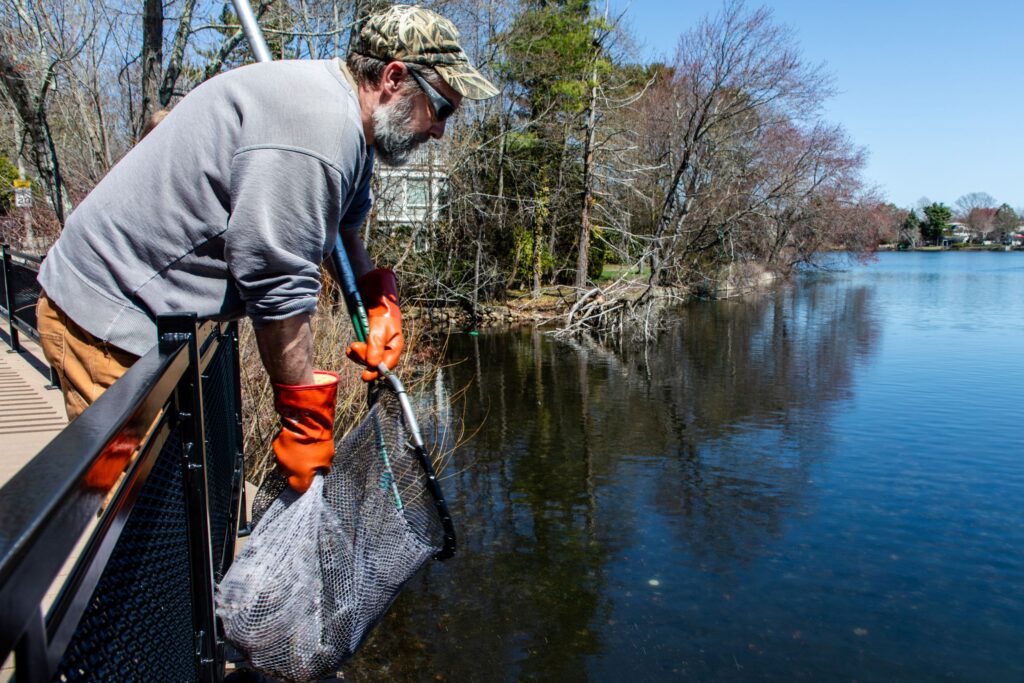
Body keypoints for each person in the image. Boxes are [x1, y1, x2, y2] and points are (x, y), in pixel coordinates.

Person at [35, 4, 498, 493]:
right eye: (441, 108)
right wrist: (304, 419)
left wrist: (374, 295)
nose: (440, 129)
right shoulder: (316, 131)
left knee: (173, 501)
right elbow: (279, 287)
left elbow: (343, 230)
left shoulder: (355, 133)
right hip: (107, 313)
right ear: (393, 77)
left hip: (161, 321)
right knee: (132, 506)